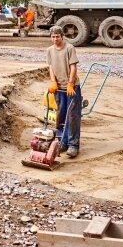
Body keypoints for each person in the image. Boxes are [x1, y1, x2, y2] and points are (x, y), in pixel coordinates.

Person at [46, 26, 82, 158]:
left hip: (71, 88)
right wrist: (53, 82)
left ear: (62, 36)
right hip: (58, 88)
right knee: (60, 115)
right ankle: (62, 141)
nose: (55, 39)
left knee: (72, 116)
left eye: (57, 36)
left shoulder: (69, 48)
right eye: (53, 37)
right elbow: (50, 67)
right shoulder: (49, 50)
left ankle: (73, 145)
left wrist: (71, 83)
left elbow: (73, 67)